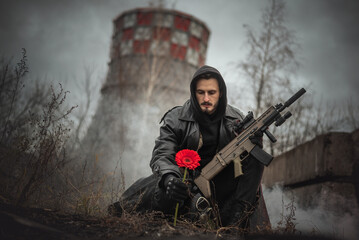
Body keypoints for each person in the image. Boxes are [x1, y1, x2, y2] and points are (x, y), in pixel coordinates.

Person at [109, 65, 270, 230]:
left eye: (211, 92)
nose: (206, 98)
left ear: (221, 93)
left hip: (222, 189)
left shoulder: (237, 120)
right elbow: (162, 154)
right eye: (201, 92)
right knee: (166, 192)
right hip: (183, 185)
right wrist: (169, 178)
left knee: (257, 157)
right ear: (194, 93)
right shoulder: (175, 118)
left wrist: (256, 143)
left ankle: (235, 222)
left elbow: (248, 168)